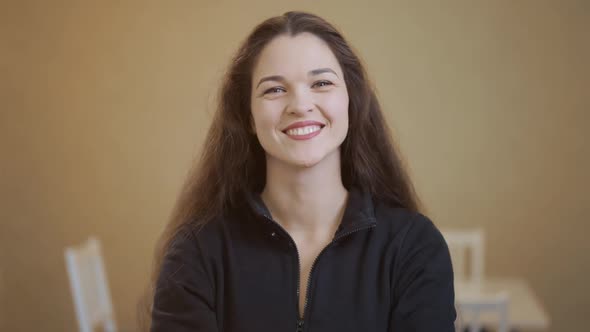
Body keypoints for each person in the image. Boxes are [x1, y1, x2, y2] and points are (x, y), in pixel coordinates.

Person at [146, 11, 456, 332]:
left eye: (321, 83)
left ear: (350, 101)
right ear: (249, 117)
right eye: (274, 90)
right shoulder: (195, 252)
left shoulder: (414, 246)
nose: (300, 104)